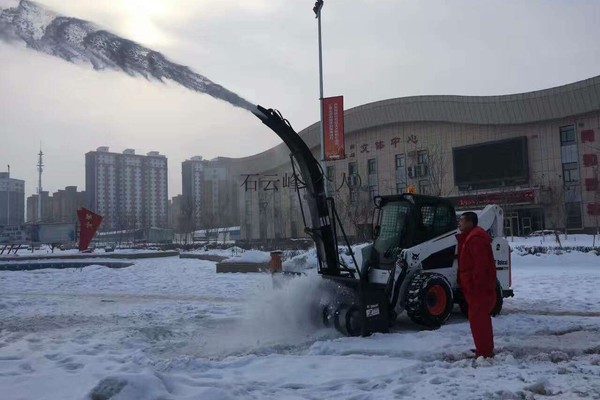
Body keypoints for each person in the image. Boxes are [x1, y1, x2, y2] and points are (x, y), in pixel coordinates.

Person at [456, 211, 497, 358]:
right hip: (474, 287)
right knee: (477, 319)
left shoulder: (476, 239)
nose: (459, 223)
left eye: (462, 220)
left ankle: (484, 351)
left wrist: (475, 285)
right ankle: (483, 348)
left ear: (470, 223)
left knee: (479, 319)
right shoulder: (470, 237)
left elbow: (481, 265)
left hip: (478, 288)